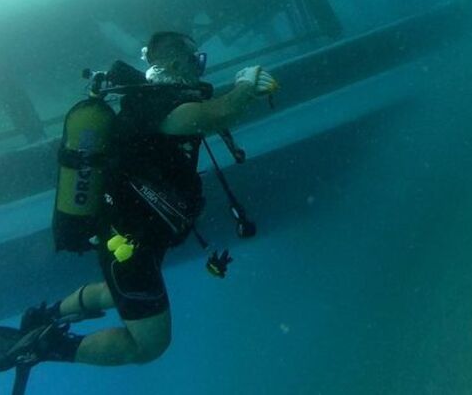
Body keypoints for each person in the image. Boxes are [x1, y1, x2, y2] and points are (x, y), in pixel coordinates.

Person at [14, 31, 278, 367]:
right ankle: (47, 347)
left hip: (132, 235)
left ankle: (45, 315)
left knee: (114, 292)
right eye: (196, 61)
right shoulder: (157, 105)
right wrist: (246, 84)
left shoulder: (153, 100)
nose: (200, 69)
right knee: (149, 345)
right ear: (172, 62)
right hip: (129, 243)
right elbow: (218, 115)